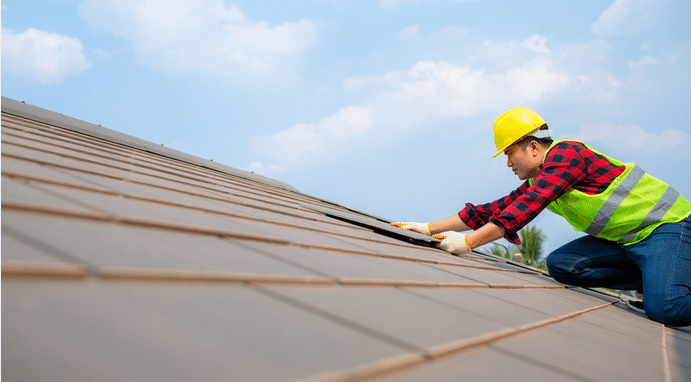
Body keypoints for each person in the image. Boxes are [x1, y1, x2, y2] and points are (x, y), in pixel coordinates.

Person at [392, 107, 691, 327]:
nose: (508, 163)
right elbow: (489, 210)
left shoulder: (566, 156)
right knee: (563, 265)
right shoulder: (542, 177)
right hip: (628, 241)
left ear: (533, 147)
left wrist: (467, 244)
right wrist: (428, 228)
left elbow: (525, 209)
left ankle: (667, 283)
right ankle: (660, 278)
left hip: (667, 228)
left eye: (510, 153)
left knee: (667, 309)